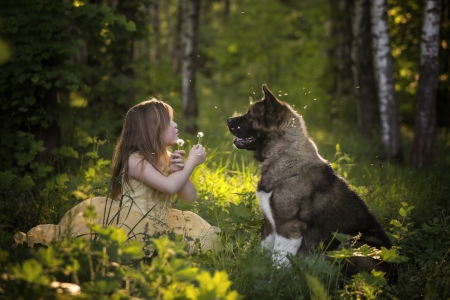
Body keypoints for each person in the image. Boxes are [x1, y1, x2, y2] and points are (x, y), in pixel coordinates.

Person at [14, 99, 222, 253]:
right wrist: (192, 163)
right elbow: (168, 187)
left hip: (161, 222)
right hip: (133, 222)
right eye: (170, 122)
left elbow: (189, 196)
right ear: (153, 130)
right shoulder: (135, 160)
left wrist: (181, 170)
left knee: (202, 238)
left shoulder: (166, 158)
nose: (176, 125)